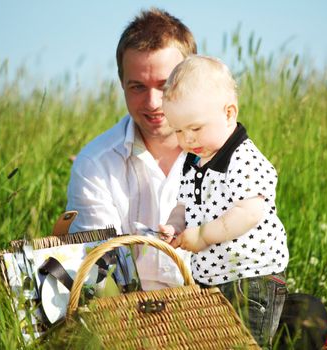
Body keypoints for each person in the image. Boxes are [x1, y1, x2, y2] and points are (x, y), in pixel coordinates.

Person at [159, 55, 289, 347]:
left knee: (246, 343)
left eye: (195, 128)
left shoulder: (243, 158)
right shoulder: (192, 161)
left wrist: (204, 235)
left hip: (251, 279)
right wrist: (174, 226)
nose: (187, 139)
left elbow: (249, 212)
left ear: (229, 113)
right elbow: (184, 205)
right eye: (178, 130)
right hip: (212, 279)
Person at [66, 8, 197, 291]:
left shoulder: (227, 154)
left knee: (306, 313)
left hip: (211, 310)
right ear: (122, 84)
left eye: (165, 85)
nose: (152, 102)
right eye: (137, 87)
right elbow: (103, 277)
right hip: (128, 320)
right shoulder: (94, 165)